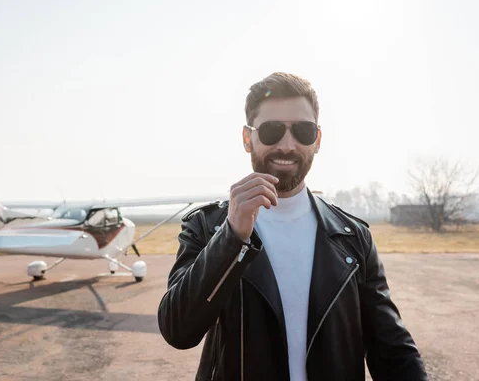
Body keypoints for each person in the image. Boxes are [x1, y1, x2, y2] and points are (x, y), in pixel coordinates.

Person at [157, 72, 427, 380]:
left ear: (318, 139)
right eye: (271, 131)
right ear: (248, 139)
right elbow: (178, 331)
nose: (287, 145)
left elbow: (392, 350)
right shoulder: (206, 228)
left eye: (303, 131)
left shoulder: (353, 238)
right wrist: (231, 237)